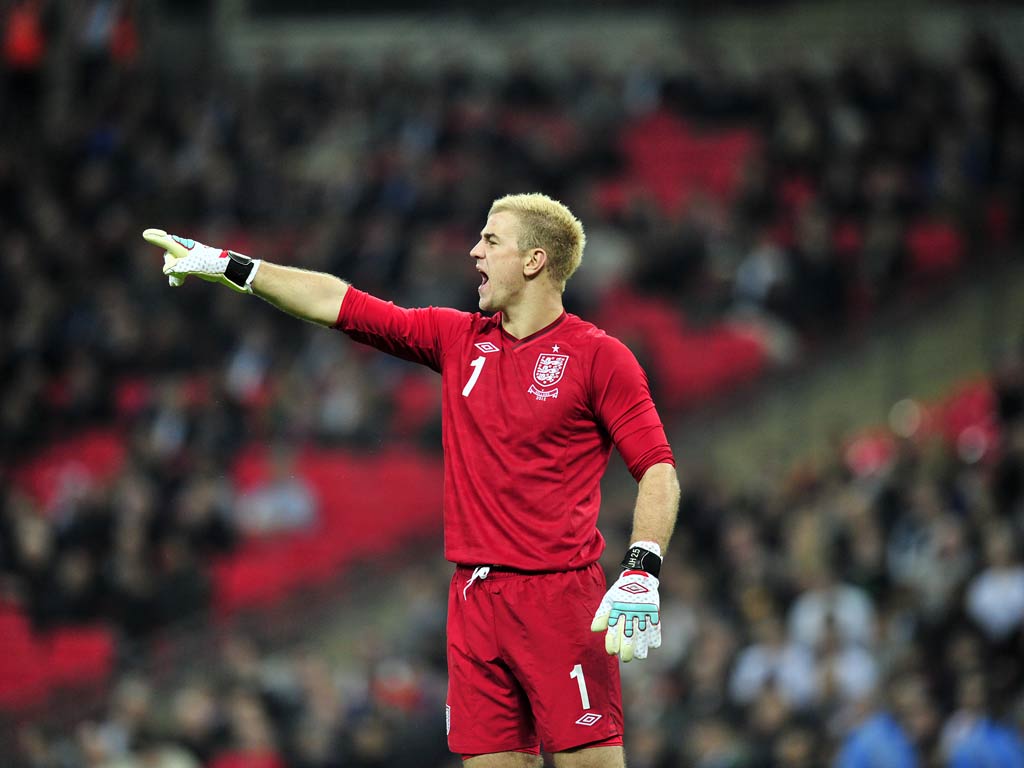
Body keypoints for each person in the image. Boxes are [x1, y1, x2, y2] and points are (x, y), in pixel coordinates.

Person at [143, 192, 680, 768]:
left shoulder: (599, 357)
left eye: (491, 241)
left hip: (559, 596)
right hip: (473, 601)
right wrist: (231, 266)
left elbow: (658, 469)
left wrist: (641, 569)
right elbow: (338, 302)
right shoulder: (457, 339)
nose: (474, 251)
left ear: (534, 261)